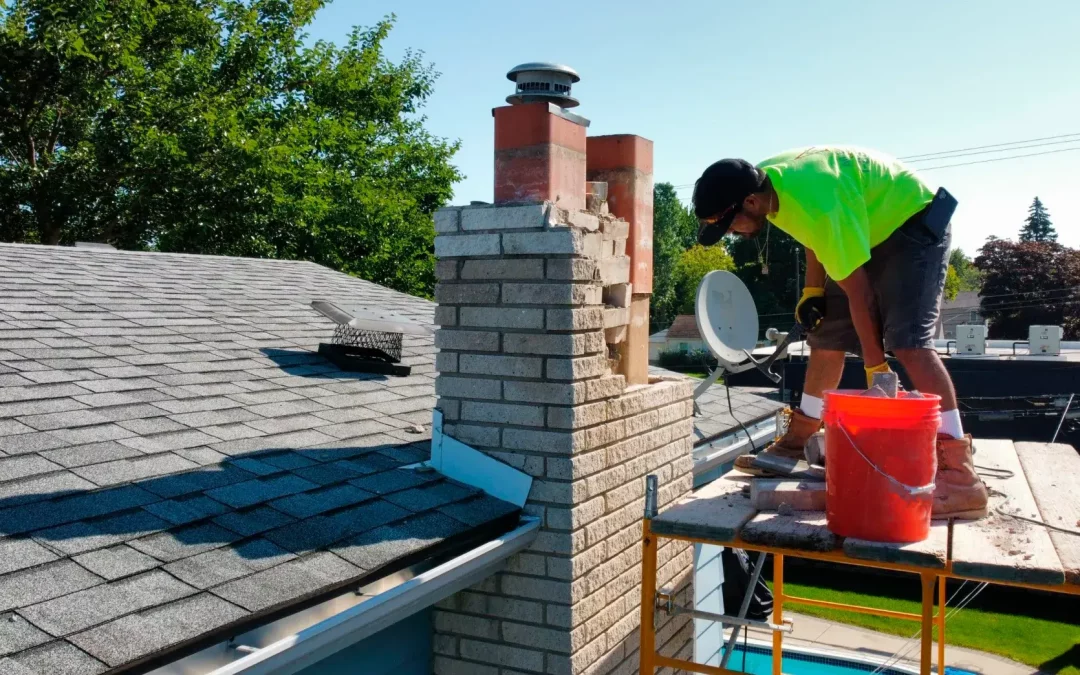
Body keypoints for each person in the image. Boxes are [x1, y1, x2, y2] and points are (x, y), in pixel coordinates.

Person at [693, 146, 987, 519]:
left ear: (749, 201)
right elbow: (811, 233)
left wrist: (875, 368)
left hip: (913, 219)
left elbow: (860, 293)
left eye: (730, 224)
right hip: (866, 223)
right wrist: (812, 291)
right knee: (826, 331)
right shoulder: (767, 186)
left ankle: (961, 479)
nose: (731, 233)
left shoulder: (818, 202)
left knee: (908, 341)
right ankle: (798, 440)